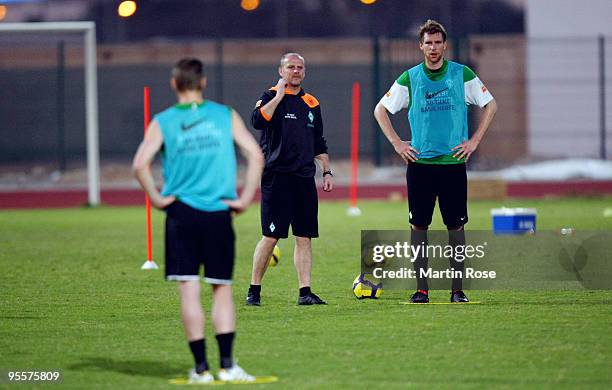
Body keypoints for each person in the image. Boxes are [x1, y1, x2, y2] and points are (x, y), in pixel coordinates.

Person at [132, 58, 264, 383]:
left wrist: (158, 199)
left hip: (181, 215)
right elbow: (256, 155)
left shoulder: (162, 122)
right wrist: (245, 198)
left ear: (175, 84)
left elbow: (139, 165)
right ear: (202, 83)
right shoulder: (225, 115)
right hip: (220, 212)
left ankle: (201, 369)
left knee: (189, 291)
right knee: (222, 290)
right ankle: (229, 366)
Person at [374, 20, 497, 303]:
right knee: (419, 227)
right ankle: (422, 290)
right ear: (421, 46)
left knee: (456, 227)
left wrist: (475, 141)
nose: (433, 48)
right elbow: (380, 110)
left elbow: (491, 105)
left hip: (453, 164)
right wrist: (397, 142)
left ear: (445, 45)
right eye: (428, 43)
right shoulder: (410, 78)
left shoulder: (461, 74)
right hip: (420, 166)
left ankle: (457, 290)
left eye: (437, 42)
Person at [246, 52, 333, 306]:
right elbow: (256, 121)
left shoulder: (311, 103)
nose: (296, 71)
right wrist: (280, 96)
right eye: (290, 67)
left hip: (304, 178)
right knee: (271, 237)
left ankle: (305, 292)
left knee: (304, 236)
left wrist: (326, 170)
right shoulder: (269, 96)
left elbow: (319, 141)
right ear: (281, 71)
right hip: (277, 178)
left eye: (300, 67)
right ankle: (254, 290)